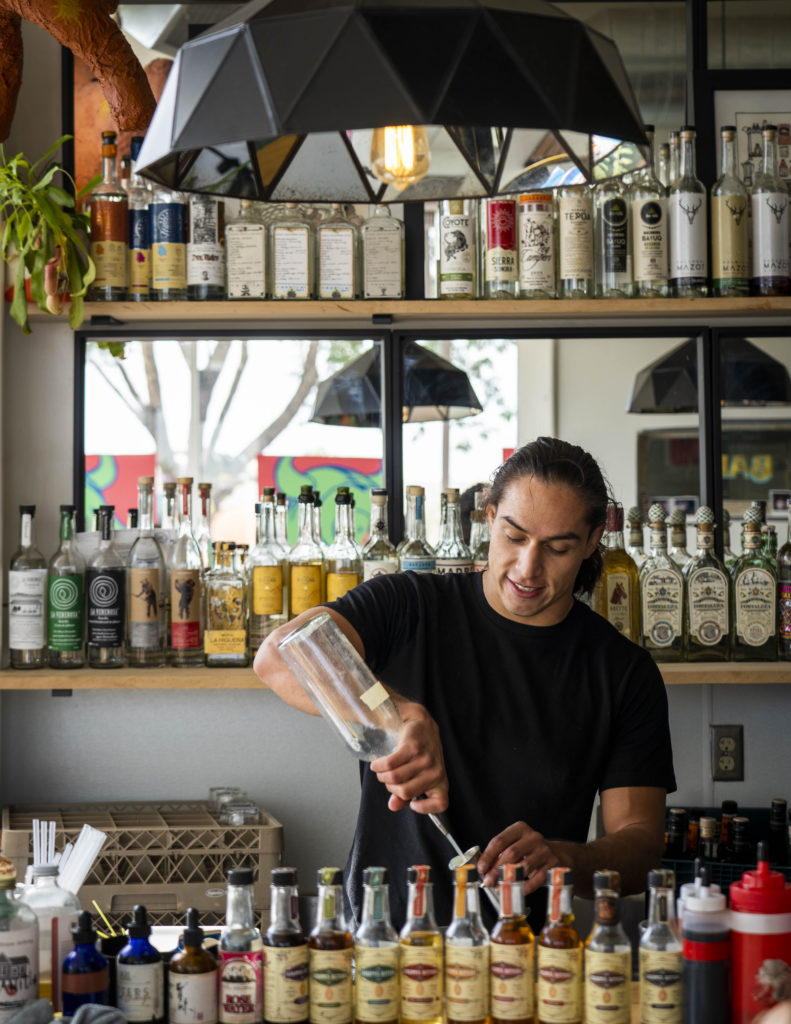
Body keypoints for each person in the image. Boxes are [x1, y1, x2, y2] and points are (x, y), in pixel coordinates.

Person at [254, 437, 676, 930]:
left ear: (590, 543)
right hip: (383, 936)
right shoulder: (408, 603)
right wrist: (396, 717)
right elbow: (279, 655)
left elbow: (641, 845)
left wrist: (563, 859)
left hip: (523, 950)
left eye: (557, 548)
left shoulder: (622, 672)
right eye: (513, 536)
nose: (527, 568)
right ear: (489, 517)